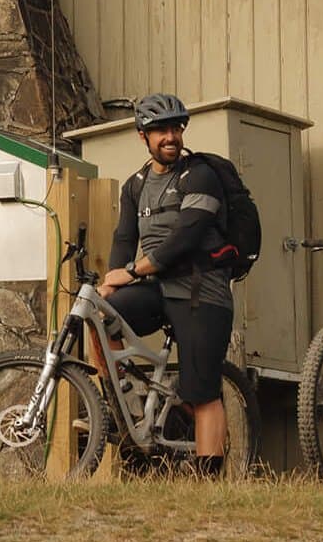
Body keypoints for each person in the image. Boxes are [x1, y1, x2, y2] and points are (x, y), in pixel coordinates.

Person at [97, 92, 236, 478]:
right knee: (100, 314)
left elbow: (185, 238)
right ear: (143, 136)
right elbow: (124, 240)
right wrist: (112, 282)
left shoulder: (200, 175)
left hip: (200, 291)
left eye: (176, 128)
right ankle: (124, 399)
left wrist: (134, 272)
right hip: (158, 288)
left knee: (203, 393)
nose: (170, 136)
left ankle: (208, 482)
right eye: (160, 130)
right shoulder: (135, 186)